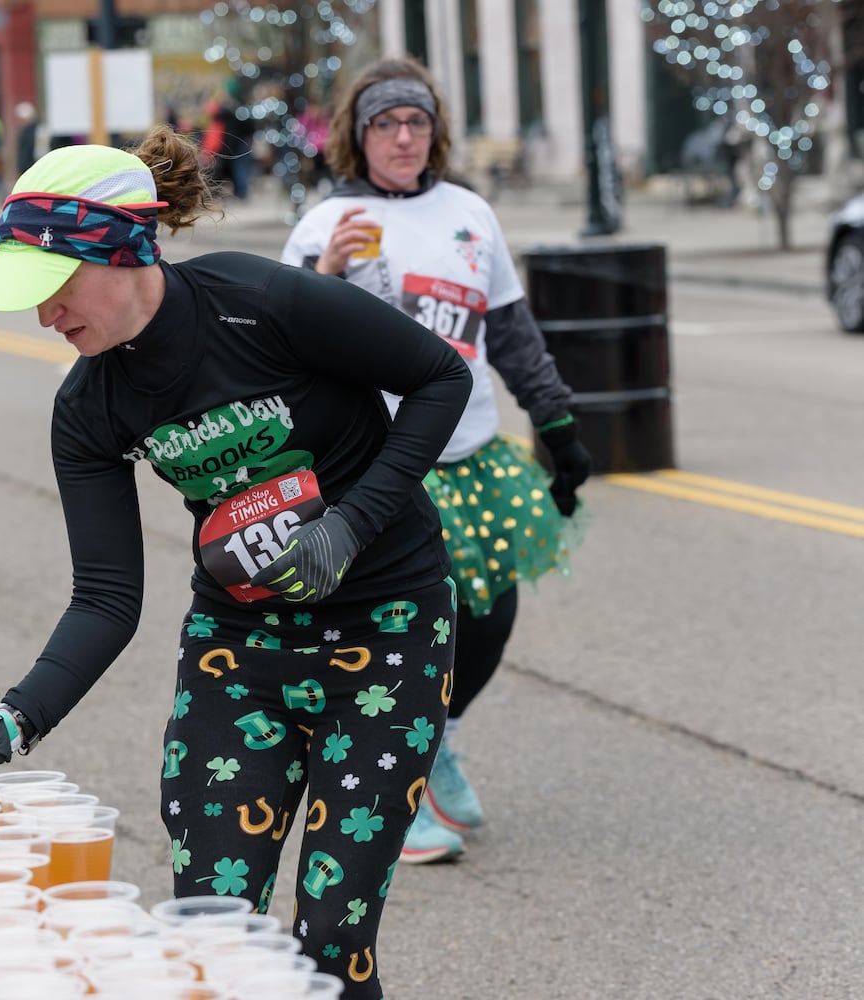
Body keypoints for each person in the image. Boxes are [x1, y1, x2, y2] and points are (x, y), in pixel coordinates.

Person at [0, 128, 473, 998]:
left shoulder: (261, 303)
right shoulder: (89, 408)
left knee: (330, 938)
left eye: (52, 286)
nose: (44, 316)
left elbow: (440, 378)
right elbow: (104, 597)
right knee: (209, 941)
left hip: (388, 629)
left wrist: (351, 526)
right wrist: (11, 722)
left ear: (119, 251)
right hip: (239, 650)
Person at [280, 56, 593, 863]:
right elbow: (282, 360)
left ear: (435, 132)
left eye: (417, 122)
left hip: (474, 452)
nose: (404, 137)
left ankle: (437, 737)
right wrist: (324, 277)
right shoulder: (325, 224)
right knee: (407, 630)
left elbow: (514, 338)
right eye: (386, 123)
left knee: (490, 616)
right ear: (359, 134)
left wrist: (558, 429)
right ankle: (397, 785)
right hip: (380, 463)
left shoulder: (471, 214)